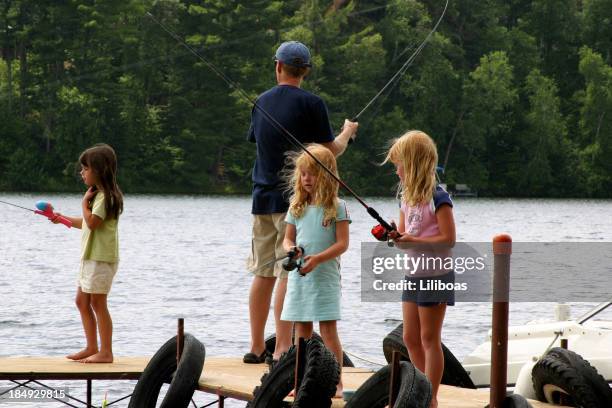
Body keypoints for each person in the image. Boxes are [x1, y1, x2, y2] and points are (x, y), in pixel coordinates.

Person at [245, 40, 358, 364]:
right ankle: (281, 348)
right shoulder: (312, 104)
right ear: (304, 71)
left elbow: (258, 140)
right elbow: (327, 154)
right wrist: (347, 132)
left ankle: (255, 347)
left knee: (262, 273)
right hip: (294, 202)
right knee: (286, 273)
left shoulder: (261, 102)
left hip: (261, 198)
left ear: (277, 66)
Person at [384, 131, 455, 408]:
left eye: (399, 165)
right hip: (413, 274)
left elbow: (448, 240)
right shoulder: (406, 198)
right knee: (410, 338)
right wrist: (395, 237)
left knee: (429, 338)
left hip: (437, 275)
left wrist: (413, 239)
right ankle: (422, 389)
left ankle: (432, 397)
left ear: (413, 164)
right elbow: (405, 240)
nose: (397, 171)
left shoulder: (439, 197)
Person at [281, 144, 349, 398]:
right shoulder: (296, 206)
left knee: (329, 331)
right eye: (303, 174)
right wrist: (293, 249)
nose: (307, 179)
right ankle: (301, 383)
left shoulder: (337, 206)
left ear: (328, 174)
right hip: (300, 277)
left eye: (313, 173)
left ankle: (337, 383)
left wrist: (318, 259)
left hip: (325, 277)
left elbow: (343, 244)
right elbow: (286, 240)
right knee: (302, 334)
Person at [53, 144, 123, 363]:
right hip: (90, 258)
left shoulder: (105, 197)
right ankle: (92, 347)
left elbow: (91, 222)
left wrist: (84, 202)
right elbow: (86, 222)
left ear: (99, 169)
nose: (82, 173)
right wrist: (61, 218)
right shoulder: (98, 196)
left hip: (101, 259)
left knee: (97, 303)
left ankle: (106, 352)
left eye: (85, 168)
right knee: (82, 302)